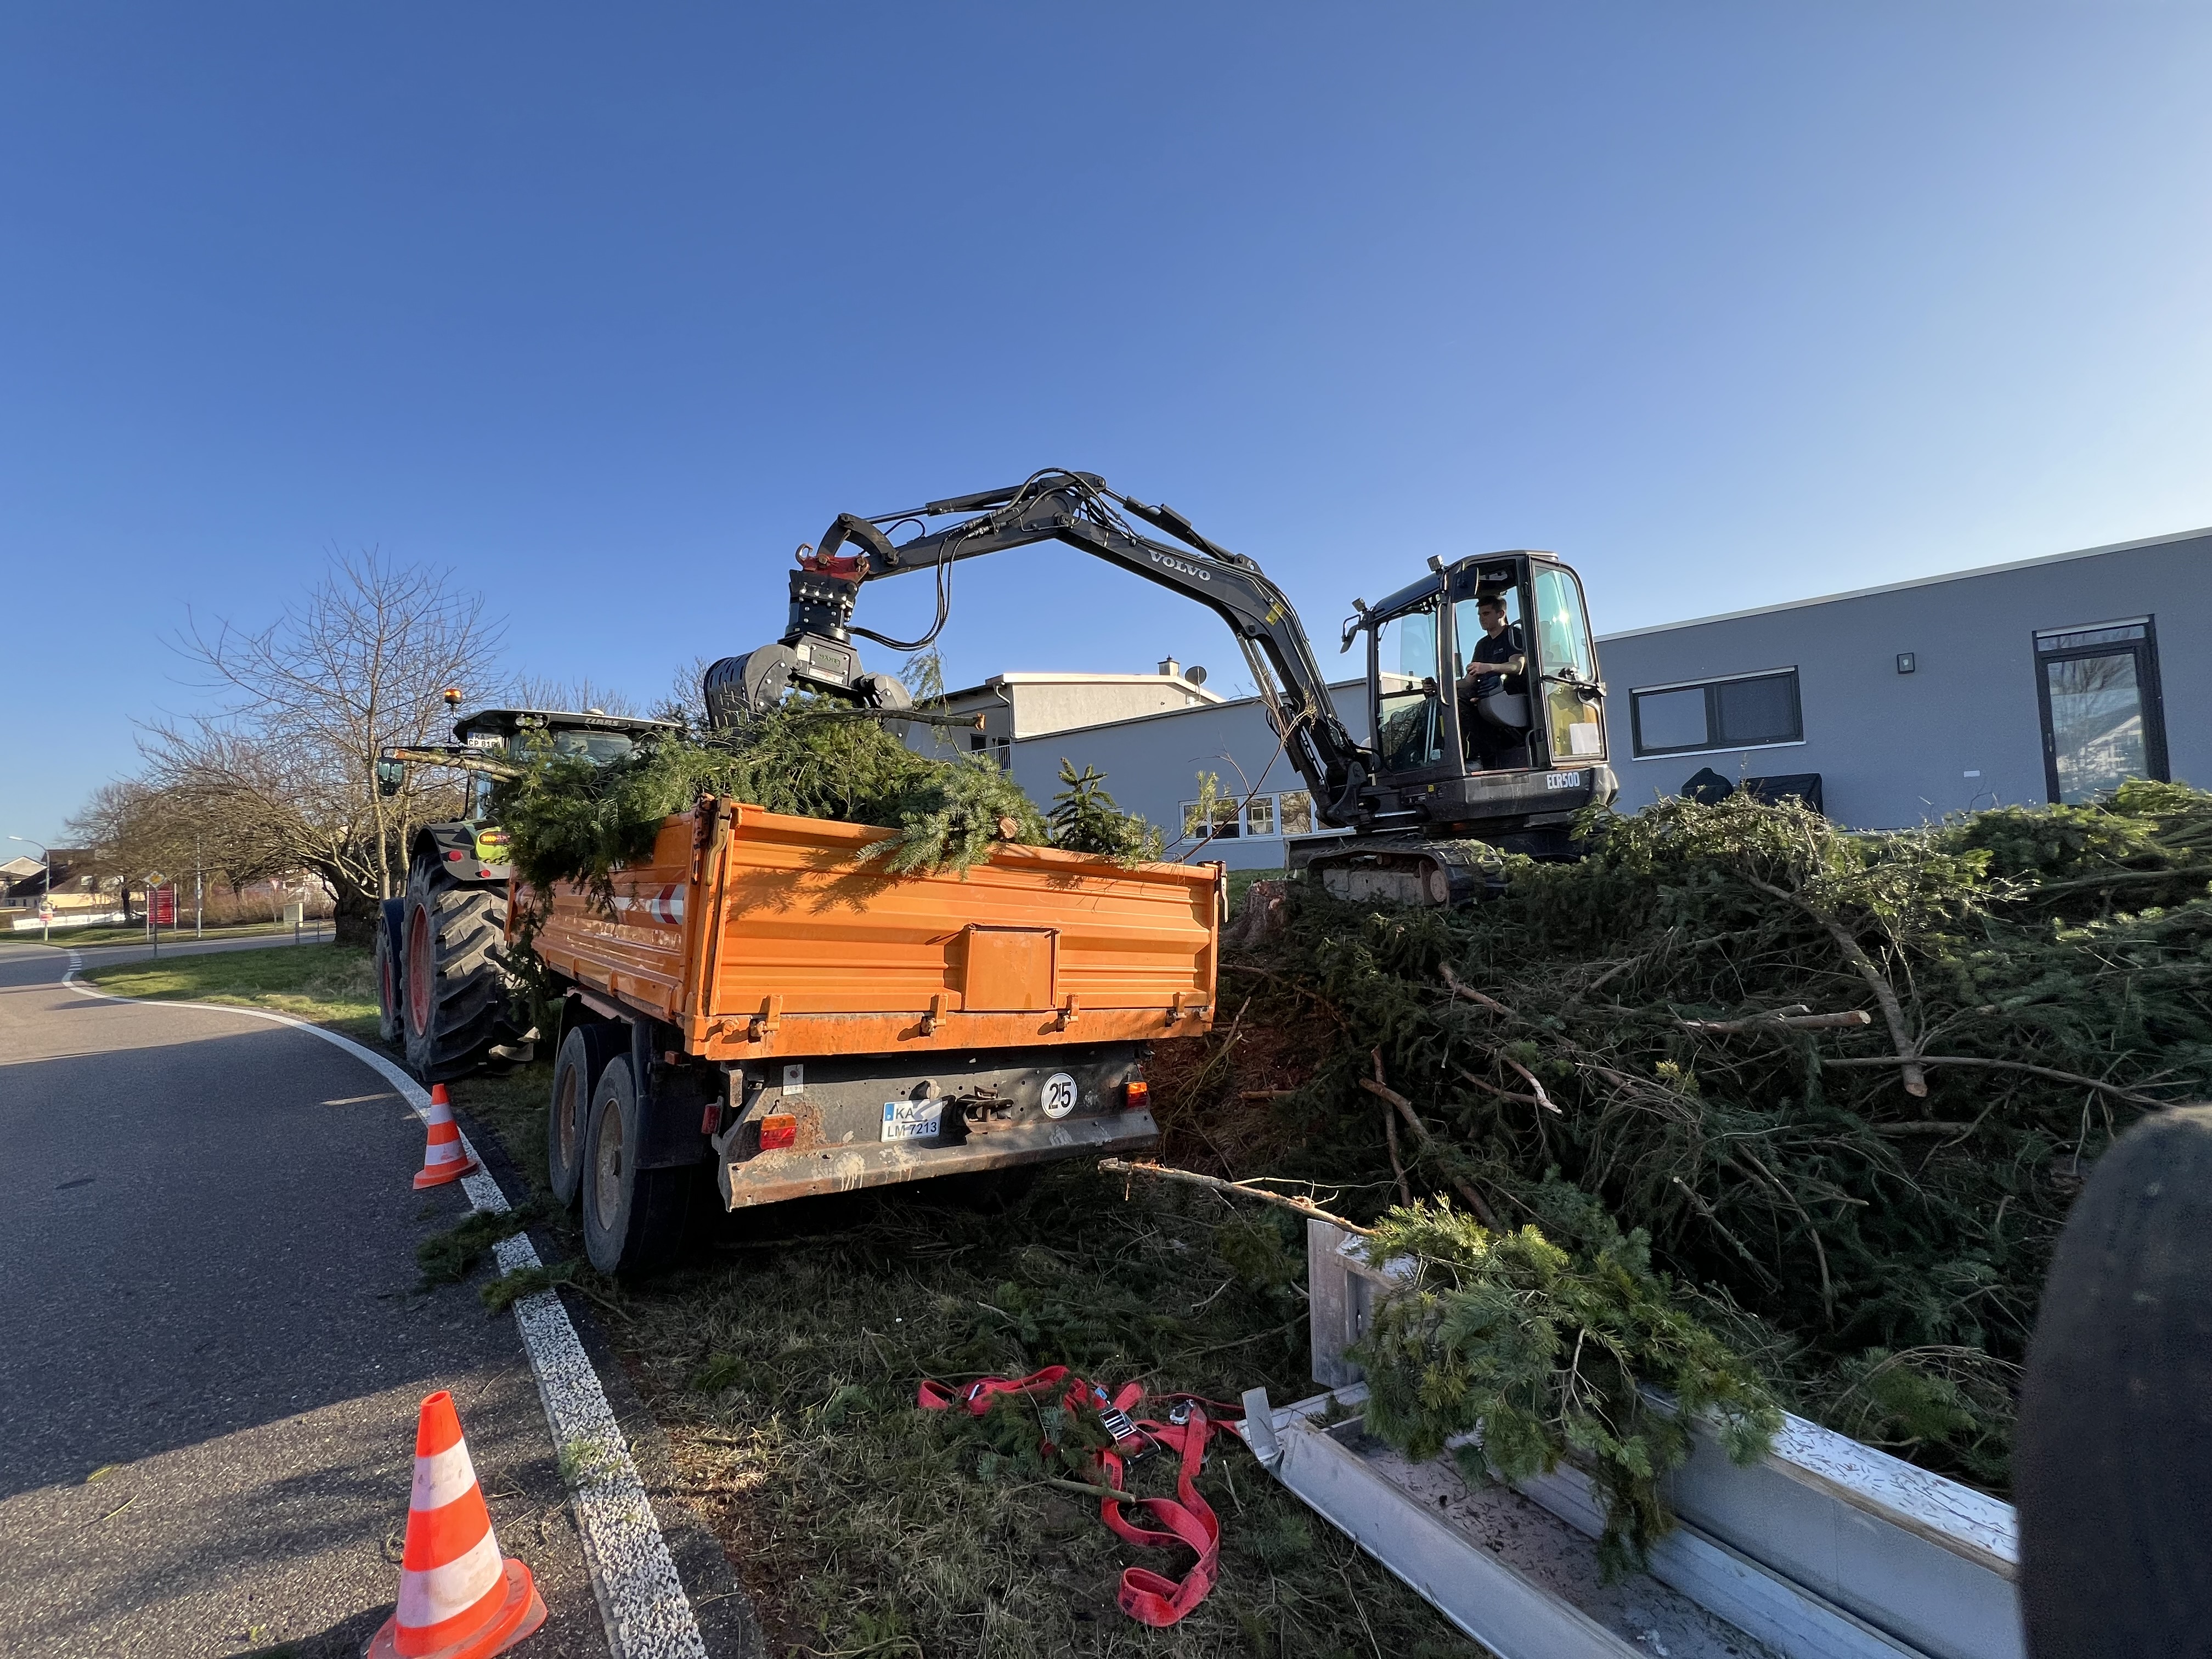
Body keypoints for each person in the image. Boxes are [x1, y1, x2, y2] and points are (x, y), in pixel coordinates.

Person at [1458, 594, 1528, 770]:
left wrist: (1488, 667)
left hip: (1514, 693)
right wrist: (1441, 687)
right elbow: (1468, 682)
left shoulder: (1514, 635)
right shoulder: (1482, 645)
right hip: (1489, 693)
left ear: (1501, 614)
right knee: (1456, 699)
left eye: (1486, 614)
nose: (1482, 619)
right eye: (1480, 615)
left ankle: (1478, 757)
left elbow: (1516, 667)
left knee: (1473, 701)